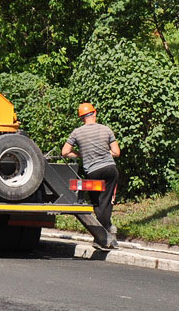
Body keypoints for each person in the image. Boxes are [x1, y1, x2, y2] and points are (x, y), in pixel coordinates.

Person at [62, 102, 120, 247]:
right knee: (106, 202)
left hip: (93, 172)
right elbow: (116, 152)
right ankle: (106, 233)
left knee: (97, 203)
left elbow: (65, 152)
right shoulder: (106, 130)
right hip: (110, 169)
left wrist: (82, 154)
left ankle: (103, 234)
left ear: (82, 118)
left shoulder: (77, 132)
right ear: (94, 113)